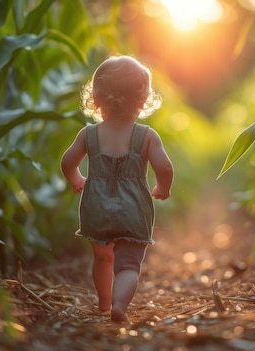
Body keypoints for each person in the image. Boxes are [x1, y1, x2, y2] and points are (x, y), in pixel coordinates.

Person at [60, 55, 174, 324]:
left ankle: (104, 301)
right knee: (128, 264)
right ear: (143, 100)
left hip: (96, 207)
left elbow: (67, 163)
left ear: (96, 99)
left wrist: (77, 180)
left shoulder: (88, 135)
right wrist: (162, 188)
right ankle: (120, 305)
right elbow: (165, 168)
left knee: (102, 258)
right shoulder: (146, 136)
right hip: (133, 209)